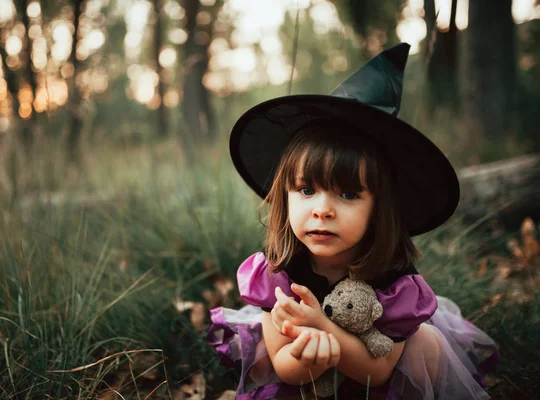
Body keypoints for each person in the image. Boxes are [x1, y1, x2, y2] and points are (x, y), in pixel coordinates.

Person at [207, 43, 499, 399]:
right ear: (284, 194)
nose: (322, 210)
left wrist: (325, 329)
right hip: (305, 385)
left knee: (426, 350)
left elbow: (377, 372)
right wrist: (309, 356)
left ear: (379, 208)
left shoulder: (395, 284)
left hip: (374, 376)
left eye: (347, 195)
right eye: (305, 190)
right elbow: (285, 367)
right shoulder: (278, 273)